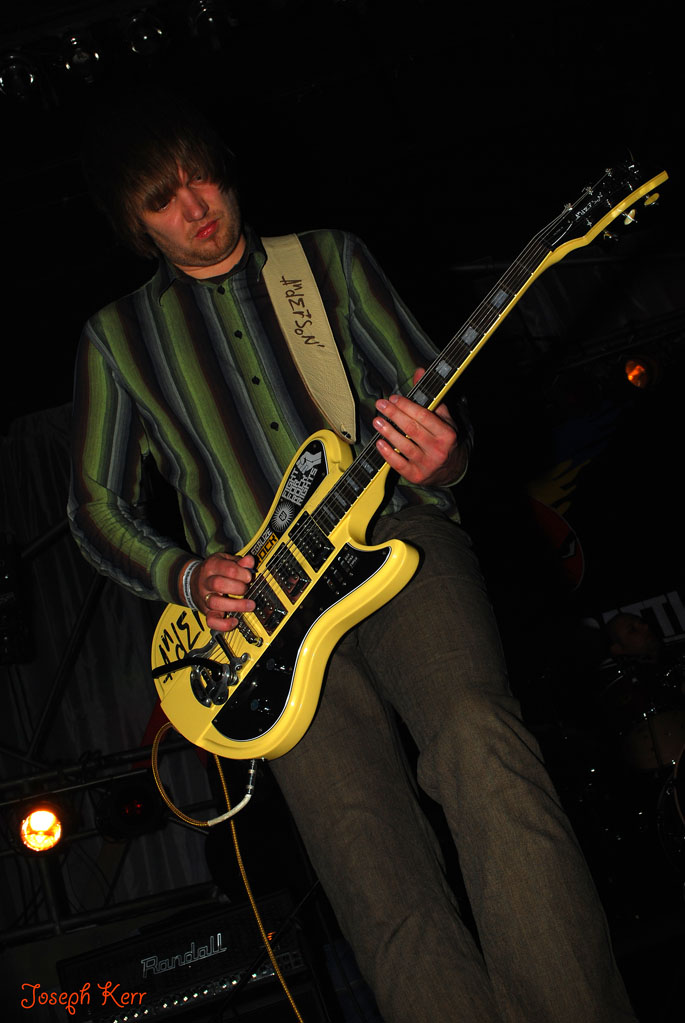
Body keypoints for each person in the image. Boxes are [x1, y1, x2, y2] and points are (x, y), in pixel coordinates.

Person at [68, 97, 637, 1022]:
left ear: (225, 171)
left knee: (479, 743)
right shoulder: (116, 340)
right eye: (162, 199)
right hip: (257, 629)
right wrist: (185, 575)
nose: (195, 206)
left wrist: (447, 457)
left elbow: (435, 402)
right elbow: (95, 509)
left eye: (199, 177)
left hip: (398, 541)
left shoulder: (325, 260)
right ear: (136, 224)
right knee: (367, 863)